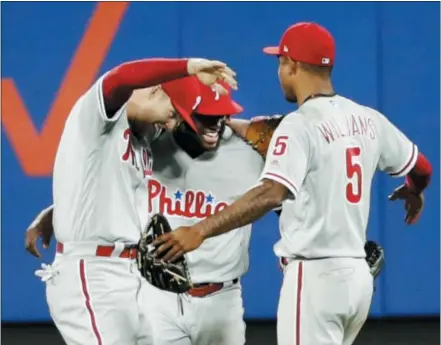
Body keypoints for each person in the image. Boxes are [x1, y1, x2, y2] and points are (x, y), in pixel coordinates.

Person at [153, 22, 433, 345]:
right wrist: (415, 191)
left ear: (293, 66)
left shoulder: (298, 126)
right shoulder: (367, 119)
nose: (279, 70)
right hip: (357, 280)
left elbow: (272, 193)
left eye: (280, 62)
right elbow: (421, 167)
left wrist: (200, 230)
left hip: (314, 278)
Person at [27, 57, 237, 345]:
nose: (171, 122)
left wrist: (56, 210)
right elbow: (123, 77)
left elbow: (104, 187)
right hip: (92, 273)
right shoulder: (97, 117)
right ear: (153, 92)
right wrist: (188, 66)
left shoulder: (142, 136)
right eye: (173, 113)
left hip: (128, 274)